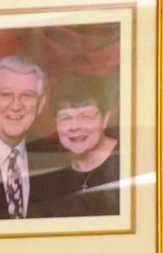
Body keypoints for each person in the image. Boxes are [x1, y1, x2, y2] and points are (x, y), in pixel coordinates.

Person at [0, 55, 60, 220]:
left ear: (41, 104)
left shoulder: (53, 160)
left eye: (28, 95)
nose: (16, 105)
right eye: (5, 94)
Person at [30, 76, 122, 219]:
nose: (74, 126)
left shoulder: (128, 163)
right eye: (65, 118)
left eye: (86, 116)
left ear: (105, 119)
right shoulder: (50, 173)